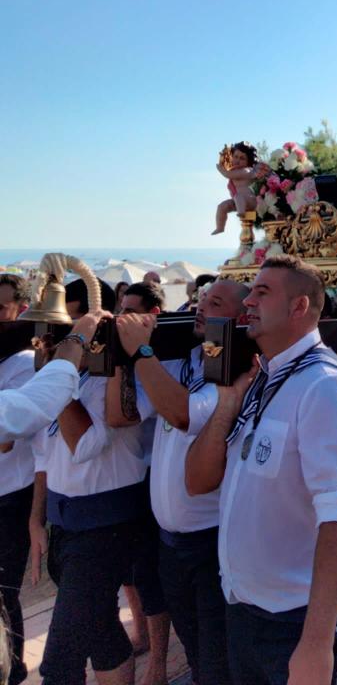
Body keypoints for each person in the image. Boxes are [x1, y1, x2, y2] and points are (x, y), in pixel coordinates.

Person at [186, 257, 337, 685]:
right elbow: (197, 482)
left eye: (261, 292)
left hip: (297, 619)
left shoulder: (325, 386)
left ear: (298, 306)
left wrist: (316, 643)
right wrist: (227, 407)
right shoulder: (262, 379)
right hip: (248, 607)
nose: (247, 300)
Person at [107, 277, 250, 685]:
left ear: (241, 317)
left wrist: (142, 351)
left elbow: (183, 413)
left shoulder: (235, 368)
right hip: (170, 542)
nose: (201, 307)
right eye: (202, 299)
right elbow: (124, 415)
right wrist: (116, 353)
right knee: (193, 647)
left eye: (216, 302)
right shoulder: (187, 358)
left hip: (210, 543)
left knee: (216, 659)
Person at [31, 312, 148, 685]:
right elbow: (43, 454)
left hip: (105, 527)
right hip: (65, 521)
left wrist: (55, 380)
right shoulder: (71, 377)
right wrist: (37, 518)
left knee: (60, 660)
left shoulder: (115, 377)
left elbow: (86, 445)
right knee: (101, 631)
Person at [113, 281, 170, 685]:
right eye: (121, 310)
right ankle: (140, 632)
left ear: (153, 316)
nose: (123, 319)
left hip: (152, 474)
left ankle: (160, 663)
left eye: (133, 311)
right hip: (126, 476)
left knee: (149, 574)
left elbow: (129, 415)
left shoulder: (159, 356)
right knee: (129, 572)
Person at [0, 276, 35, 685]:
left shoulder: (25, 364)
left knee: (4, 593)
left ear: (20, 311)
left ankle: (14, 670)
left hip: (10, 495)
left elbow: (6, 441)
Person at [212, 142, 265, 235]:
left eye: (242, 158)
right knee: (222, 207)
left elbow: (228, 175)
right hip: (239, 202)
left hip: (250, 201)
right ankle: (220, 227)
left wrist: (221, 169)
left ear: (249, 161)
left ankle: (241, 213)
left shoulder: (246, 171)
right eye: (235, 157)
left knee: (238, 196)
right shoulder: (236, 170)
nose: (237, 160)